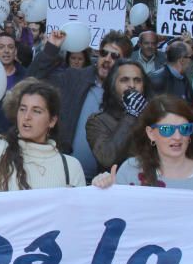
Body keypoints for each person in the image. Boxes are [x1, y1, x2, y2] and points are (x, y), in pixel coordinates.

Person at [0, 42, 85, 191]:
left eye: (36, 111)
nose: (27, 116)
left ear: (52, 121)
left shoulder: (70, 167)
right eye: (23, 109)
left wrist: (101, 188)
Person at [27, 28, 132, 180]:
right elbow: (33, 78)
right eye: (103, 53)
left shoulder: (129, 93)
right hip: (64, 175)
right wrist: (51, 49)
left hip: (103, 181)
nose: (107, 59)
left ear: (125, 62)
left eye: (114, 56)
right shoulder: (74, 78)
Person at [92, 94, 193, 191]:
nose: (177, 136)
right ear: (151, 133)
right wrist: (103, 189)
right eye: (167, 129)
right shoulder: (130, 170)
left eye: (184, 129)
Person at [86, 60, 148, 174]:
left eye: (137, 80)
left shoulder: (153, 116)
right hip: (116, 186)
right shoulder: (97, 121)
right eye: (125, 80)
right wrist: (131, 114)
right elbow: (106, 158)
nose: (132, 85)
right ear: (113, 86)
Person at [0, 31, 29, 134]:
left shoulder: (26, 76)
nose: (6, 51)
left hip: (18, 135)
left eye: (10, 47)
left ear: (15, 51)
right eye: (1, 47)